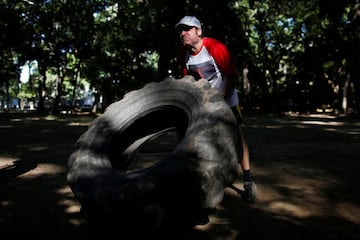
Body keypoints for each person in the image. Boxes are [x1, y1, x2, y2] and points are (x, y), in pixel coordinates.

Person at [174, 16, 257, 203]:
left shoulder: (215, 48)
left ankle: (248, 181)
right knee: (183, 129)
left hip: (227, 95)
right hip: (203, 99)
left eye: (188, 29)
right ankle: (195, 173)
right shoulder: (183, 54)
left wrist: (222, 97)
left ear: (199, 31)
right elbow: (188, 80)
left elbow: (233, 76)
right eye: (181, 30)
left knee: (237, 134)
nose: (183, 33)